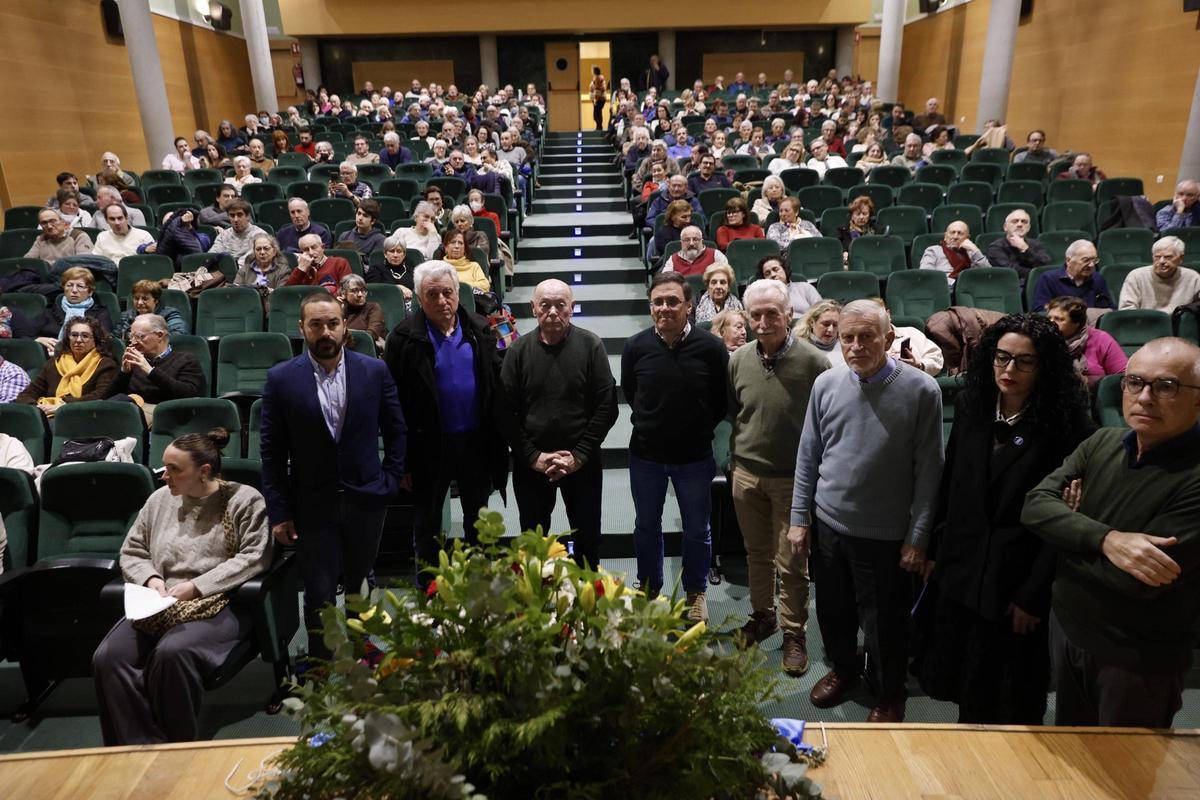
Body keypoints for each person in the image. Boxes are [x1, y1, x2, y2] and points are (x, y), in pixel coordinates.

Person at [1021, 338, 1200, 727]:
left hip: (1137, 660)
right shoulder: (1101, 441)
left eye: (1166, 386)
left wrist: (1066, 533)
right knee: (1074, 758)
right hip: (1068, 631)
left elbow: (1139, 582)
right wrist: (1109, 540)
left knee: (1125, 778)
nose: (1145, 397)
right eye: (1134, 382)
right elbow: (1034, 505)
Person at [927, 314, 1092, 724]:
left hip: (1018, 580)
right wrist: (936, 549)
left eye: (1025, 361)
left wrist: (1034, 594)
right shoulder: (973, 403)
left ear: (1046, 366)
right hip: (964, 569)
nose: (1009, 370)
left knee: (1016, 694)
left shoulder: (1068, 426)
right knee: (968, 683)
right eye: (1002, 358)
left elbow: (1064, 524)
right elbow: (952, 484)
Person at [789, 299, 943, 723]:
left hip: (886, 534)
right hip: (829, 525)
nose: (855, 346)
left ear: (889, 338)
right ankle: (843, 670)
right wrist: (799, 519)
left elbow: (930, 471)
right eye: (847, 338)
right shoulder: (827, 383)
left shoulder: (921, 390)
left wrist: (918, 537)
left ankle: (889, 691)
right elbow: (808, 455)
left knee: (886, 624)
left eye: (866, 337)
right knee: (834, 611)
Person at [92, 428, 271, 745]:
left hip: (219, 602)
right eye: (164, 467)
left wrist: (197, 586)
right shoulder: (159, 500)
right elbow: (133, 551)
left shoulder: (243, 500)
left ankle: (177, 747)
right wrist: (151, 579)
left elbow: (254, 556)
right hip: (160, 601)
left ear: (203, 472)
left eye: (175, 469)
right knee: (108, 656)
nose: (164, 476)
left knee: (172, 654)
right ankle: (135, 748)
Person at [261, 293, 406, 660]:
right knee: (318, 589)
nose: (325, 332)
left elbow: (397, 431)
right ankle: (322, 657)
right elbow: (272, 453)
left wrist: (389, 480)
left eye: (332, 323)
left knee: (362, 579)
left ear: (344, 326)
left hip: (367, 496)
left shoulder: (374, 370)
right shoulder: (280, 379)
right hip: (311, 500)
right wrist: (279, 511)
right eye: (316, 325)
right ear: (301, 328)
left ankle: (362, 646)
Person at [384, 261, 510, 585]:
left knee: (478, 523)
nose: (442, 300)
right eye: (432, 294)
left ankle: (480, 591)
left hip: (475, 443)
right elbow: (392, 405)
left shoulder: (480, 329)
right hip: (428, 447)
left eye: (447, 292)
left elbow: (498, 382)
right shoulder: (402, 339)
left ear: (458, 294)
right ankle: (430, 598)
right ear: (418, 298)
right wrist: (403, 462)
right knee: (426, 528)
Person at [729, 279, 830, 673]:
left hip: (794, 479)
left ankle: (794, 633)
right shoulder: (737, 360)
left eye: (773, 313)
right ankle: (762, 615)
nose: (764, 321)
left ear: (789, 315)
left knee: (792, 562)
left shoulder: (813, 362)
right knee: (756, 553)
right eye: (756, 314)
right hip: (747, 474)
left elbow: (824, 422)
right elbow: (734, 413)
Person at [621, 272, 728, 621]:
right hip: (646, 455)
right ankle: (650, 588)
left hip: (694, 457)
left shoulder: (711, 348)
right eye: (658, 302)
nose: (665, 308)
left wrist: (695, 428)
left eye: (673, 301)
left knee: (698, 529)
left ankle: (695, 592)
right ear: (650, 307)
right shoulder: (635, 347)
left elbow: (720, 401)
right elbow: (632, 394)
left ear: (689, 305)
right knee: (646, 525)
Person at [500, 279, 617, 568]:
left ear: (572, 308)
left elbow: (606, 407)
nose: (553, 311)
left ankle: (587, 605)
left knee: (587, 538)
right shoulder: (518, 351)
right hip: (532, 464)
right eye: (545, 305)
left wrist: (577, 457)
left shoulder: (591, 345)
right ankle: (535, 604)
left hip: (582, 461)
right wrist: (533, 457)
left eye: (560, 305)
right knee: (533, 541)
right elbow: (505, 412)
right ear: (533, 308)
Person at [105, 313, 205, 418]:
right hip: (131, 412)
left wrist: (150, 371)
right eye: (131, 336)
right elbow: (107, 399)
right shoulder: (133, 362)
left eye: (140, 336)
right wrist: (124, 373)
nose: (133, 342)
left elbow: (188, 395)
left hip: (166, 414)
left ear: (159, 335)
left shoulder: (186, 360)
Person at [15, 317, 118, 418]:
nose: (78, 340)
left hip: (85, 416)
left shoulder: (105, 365)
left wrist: (63, 405)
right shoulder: (54, 363)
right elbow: (26, 394)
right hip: (48, 415)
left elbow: (100, 396)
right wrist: (38, 409)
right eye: (74, 335)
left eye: (85, 336)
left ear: (95, 340)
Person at [1045, 296, 1127, 389]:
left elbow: (1122, 377)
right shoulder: (1044, 340)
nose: (1051, 323)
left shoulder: (1101, 339)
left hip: (1094, 399)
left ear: (1077, 323)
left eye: (1059, 319)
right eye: (1049, 318)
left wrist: (1088, 381)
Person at [31, 266, 113, 355]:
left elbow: (104, 340)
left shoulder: (100, 312)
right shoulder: (51, 311)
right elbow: (26, 334)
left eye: (80, 286)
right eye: (69, 285)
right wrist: (38, 339)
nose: (74, 290)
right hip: (50, 358)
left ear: (90, 291)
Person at [1118, 237, 1200, 313]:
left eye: (1168, 257)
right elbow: (1126, 310)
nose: (1161, 261)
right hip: (1145, 325)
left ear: (1181, 258)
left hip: (1180, 326)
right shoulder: (1136, 276)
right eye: (1157, 257)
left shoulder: (1193, 277)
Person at [1031, 240, 1113, 311]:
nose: (1091, 265)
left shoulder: (1097, 279)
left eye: (1094, 260)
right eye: (1086, 260)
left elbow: (1109, 309)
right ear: (1068, 260)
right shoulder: (1048, 279)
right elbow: (1040, 310)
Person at [985, 209, 1051, 280]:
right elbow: (1010, 272)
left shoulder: (1036, 244)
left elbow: (1044, 265)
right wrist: (1035, 273)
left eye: (1024, 222)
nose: (1020, 224)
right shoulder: (996, 247)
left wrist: (1024, 248)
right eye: (1015, 221)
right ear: (1005, 227)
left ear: (1028, 228)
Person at [920, 220, 990, 286]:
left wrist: (975, 250)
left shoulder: (972, 253)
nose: (955, 237)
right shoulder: (933, 251)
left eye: (960, 233)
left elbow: (989, 273)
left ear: (967, 237)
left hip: (969, 292)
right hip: (943, 289)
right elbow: (926, 275)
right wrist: (956, 283)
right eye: (952, 232)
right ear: (945, 236)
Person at [113, 280, 189, 340]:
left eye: (145, 299)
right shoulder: (127, 315)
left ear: (155, 300)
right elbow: (114, 338)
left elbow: (177, 336)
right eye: (136, 298)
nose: (139, 302)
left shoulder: (170, 314)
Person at [757, 255, 822, 317]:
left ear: (785, 269)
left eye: (776, 269)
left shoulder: (805, 287)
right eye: (767, 273)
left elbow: (822, 310)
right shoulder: (763, 296)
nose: (773, 275)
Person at [286, 234, 352, 294]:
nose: (311, 253)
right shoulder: (301, 270)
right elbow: (286, 293)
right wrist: (300, 269)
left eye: (314, 247)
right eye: (306, 249)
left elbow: (347, 290)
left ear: (322, 247)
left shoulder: (339, 263)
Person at [339, 274, 386, 351]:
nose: (360, 295)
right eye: (354, 291)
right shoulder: (341, 308)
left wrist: (345, 335)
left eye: (363, 290)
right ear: (343, 294)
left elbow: (370, 335)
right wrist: (338, 307)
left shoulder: (373, 308)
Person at [25, 208, 92, 262]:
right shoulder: (41, 239)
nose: (49, 226)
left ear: (62, 221)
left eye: (53, 221)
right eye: (44, 223)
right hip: (46, 276)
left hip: (71, 275)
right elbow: (27, 261)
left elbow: (84, 263)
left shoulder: (78, 236)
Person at [365, 233, 415, 301]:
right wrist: (398, 287)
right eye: (392, 251)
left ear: (404, 254)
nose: (395, 255)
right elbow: (373, 290)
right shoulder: (375, 270)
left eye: (399, 251)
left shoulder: (412, 272)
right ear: (385, 254)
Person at [663, 225, 728, 277]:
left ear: (702, 241)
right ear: (681, 243)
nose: (691, 243)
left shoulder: (716, 255)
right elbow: (664, 283)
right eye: (687, 240)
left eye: (695, 239)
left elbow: (727, 278)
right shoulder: (672, 260)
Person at [795, 300, 843, 367]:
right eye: (826, 324)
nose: (830, 330)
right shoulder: (798, 346)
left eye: (835, 325)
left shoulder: (845, 346)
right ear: (811, 322)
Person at [589, 66, 608, 132]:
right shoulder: (597, 78)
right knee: (597, 113)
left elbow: (598, 89)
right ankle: (598, 126)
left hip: (599, 99)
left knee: (597, 114)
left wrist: (596, 99)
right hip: (598, 99)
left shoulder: (598, 78)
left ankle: (599, 127)